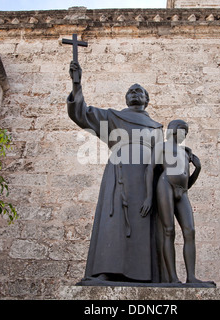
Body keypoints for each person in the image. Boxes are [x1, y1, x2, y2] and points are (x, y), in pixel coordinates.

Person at [67, 61, 163, 283]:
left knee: (145, 220)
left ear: (147, 99)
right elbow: (82, 114)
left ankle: (148, 275)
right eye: (130, 91)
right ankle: (105, 272)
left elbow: (162, 157)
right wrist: (77, 83)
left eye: (139, 90)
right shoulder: (112, 117)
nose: (134, 93)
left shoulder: (157, 127)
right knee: (114, 220)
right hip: (119, 174)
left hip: (147, 178)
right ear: (126, 98)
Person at [140, 119, 203, 283]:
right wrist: (148, 196)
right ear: (174, 130)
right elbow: (150, 169)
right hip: (165, 184)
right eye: (184, 131)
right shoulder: (162, 146)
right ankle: (172, 278)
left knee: (190, 231)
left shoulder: (185, 152)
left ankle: (191, 277)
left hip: (182, 192)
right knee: (169, 230)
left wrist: (198, 168)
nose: (185, 135)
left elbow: (187, 183)